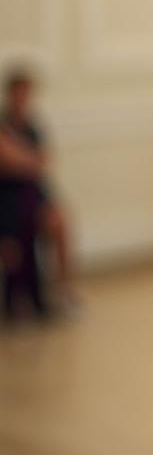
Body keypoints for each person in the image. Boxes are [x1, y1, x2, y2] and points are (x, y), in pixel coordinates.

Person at [0, 67, 78, 320]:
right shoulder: (4, 124)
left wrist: (22, 159)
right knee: (12, 241)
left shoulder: (32, 125)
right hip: (7, 199)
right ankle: (18, 301)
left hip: (32, 193)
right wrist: (27, 160)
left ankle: (62, 291)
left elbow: (42, 162)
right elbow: (10, 160)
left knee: (60, 219)